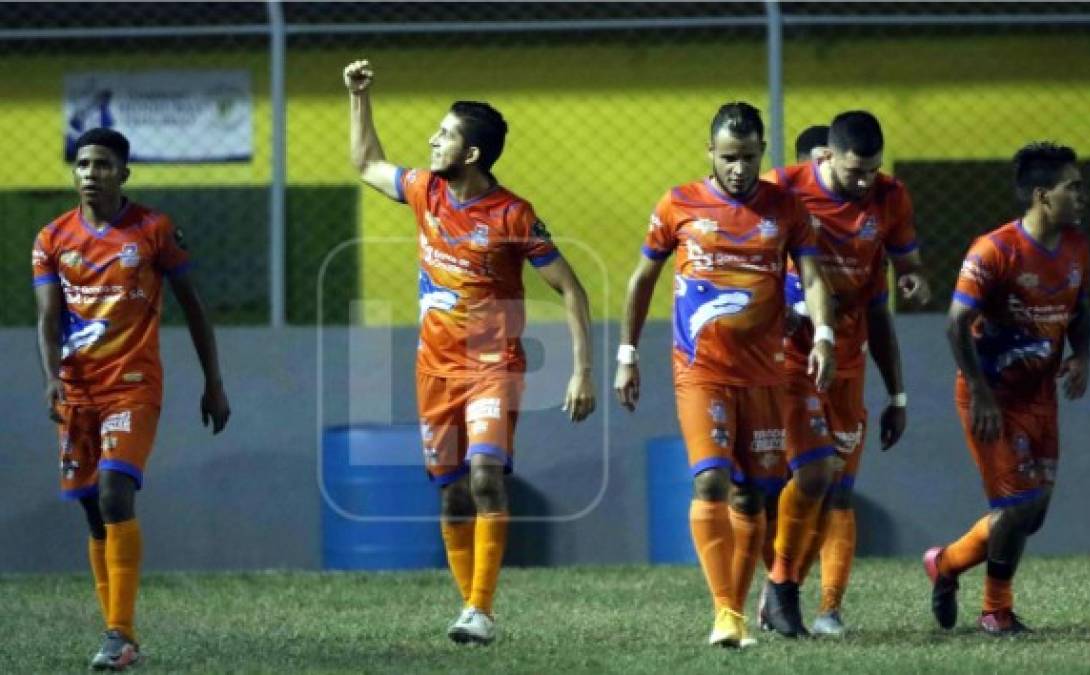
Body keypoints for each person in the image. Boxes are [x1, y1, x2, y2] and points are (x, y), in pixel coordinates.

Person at [344, 59, 596, 646]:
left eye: (446, 133)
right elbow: (366, 164)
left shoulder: (513, 214)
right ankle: (469, 605)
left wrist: (582, 371)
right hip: (433, 370)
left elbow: (571, 289)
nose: (433, 140)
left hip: (491, 365)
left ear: (473, 153)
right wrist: (359, 96)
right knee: (453, 491)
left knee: (485, 477)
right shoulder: (425, 192)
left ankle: (481, 610)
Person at [614, 101, 836, 648]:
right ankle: (724, 614)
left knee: (753, 496)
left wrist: (825, 334)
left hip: (765, 374)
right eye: (729, 157)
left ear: (763, 154)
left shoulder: (785, 209)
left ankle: (740, 607)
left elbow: (811, 276)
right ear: (710, 153)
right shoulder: (678, 204)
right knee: (711, 479)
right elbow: (642, 280)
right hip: (699, 369)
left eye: (750, 157)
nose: (739, 168)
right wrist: (626, 353)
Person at [32, 128, 231, 670]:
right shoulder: (52, 238)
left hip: (133, 385)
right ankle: (117, 634)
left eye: (102, 164)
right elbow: (49, 318)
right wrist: (53, 378)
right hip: (77, 390)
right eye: (82, 164)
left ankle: (121, 634)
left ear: (124, 173)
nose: (90, 173)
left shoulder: (153, 230)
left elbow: (193, 304)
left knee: (117, 492)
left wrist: (212, 381)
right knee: (95, 513)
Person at [758, 110, 931, 637]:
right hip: (789, 354)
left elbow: (900, 281)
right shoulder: (782, 189)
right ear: (824, 157)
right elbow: (741, 259)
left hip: (848, 362)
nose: (863, 183)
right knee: (809, 475)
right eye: (854, 171)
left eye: (872, 171)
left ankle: (827, 608)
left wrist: (915, 282)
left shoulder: (889, 198)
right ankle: (780, 587)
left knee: (838, 490)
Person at [924, 142, 1090, 635]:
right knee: (1017, 507)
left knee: (1031, 515)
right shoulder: (995, 250)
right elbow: (956, 324)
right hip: (993, 398)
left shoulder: (1078, 246)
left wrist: (1082, 356)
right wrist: (980, 393)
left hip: (1040, 395)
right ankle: (996, 610)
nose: (1082, 195)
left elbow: (1079, 310)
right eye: (1072, 187)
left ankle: (947, 563)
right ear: (1043, 195)